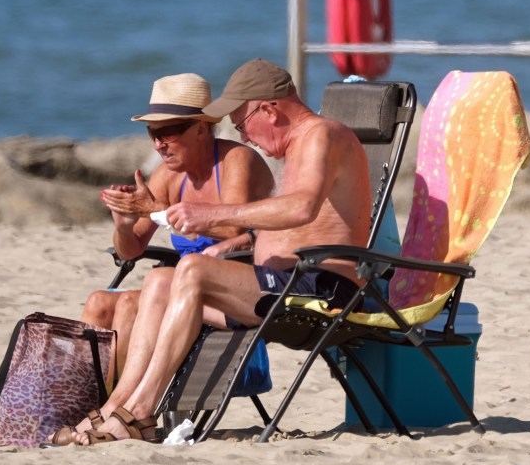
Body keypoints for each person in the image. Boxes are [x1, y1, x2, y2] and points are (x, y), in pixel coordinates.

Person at [70, 58, 372, 445]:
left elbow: (301, 208)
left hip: (323, 289)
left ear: (269, 109)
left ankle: (141, 410)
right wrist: (234, 240)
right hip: (281, 285)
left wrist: (212, 215)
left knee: (192, 268)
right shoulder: (299, 147)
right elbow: (273, 226)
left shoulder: (321, 134)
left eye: (242, 123)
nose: (244, 137)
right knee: (160, 281)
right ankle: (118, 407)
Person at [79, 73, 274, 388]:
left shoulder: (236, 160)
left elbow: (232, 225)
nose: (158, 143)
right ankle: (84, 399)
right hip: (182, 282)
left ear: (200, 128)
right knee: (98, 302)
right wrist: (124, 225)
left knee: (130, 303)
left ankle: (119, 405)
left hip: (233, 290)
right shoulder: (169, 176)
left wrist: (157, 212)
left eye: (167, 131)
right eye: (152, 132)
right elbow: (130, 251)